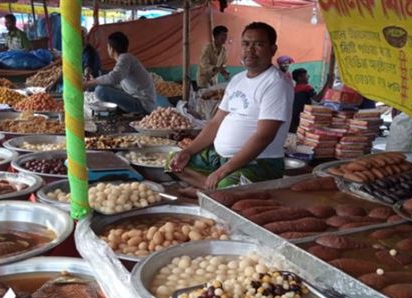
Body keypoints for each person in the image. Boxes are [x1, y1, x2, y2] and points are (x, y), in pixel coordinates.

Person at [171, 22, 293, 190]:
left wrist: (222, 172)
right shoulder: (237, 80)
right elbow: (215, 123)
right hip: (220, 158)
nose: (250, 50)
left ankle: (214, 188)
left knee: (229, 184)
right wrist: (188, 151)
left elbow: (264, 136)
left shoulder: (275, 83)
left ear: (272, 49)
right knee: (173, 161)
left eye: (258, 44)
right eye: (245, 44)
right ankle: (211, 189)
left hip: (260, 162)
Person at [83, 31, 156, 114]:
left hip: (142, 105)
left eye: (108, 47)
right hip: (139, 100)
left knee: (101, 91)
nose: (107, 49)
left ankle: (126, 111)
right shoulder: (126, 58)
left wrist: (90, 83)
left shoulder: (125, 58)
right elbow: (115, 81)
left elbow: (114, 78)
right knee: (101, 86)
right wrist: (96, 80)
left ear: (112, 48)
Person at [290, 68, 315, 133]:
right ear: (299, 77)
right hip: (303, 118)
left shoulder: (293, 89)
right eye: (306, 76)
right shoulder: (306, 87)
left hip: (293, 119)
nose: (308, 77)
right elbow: (318, 99)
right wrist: (327, 82)